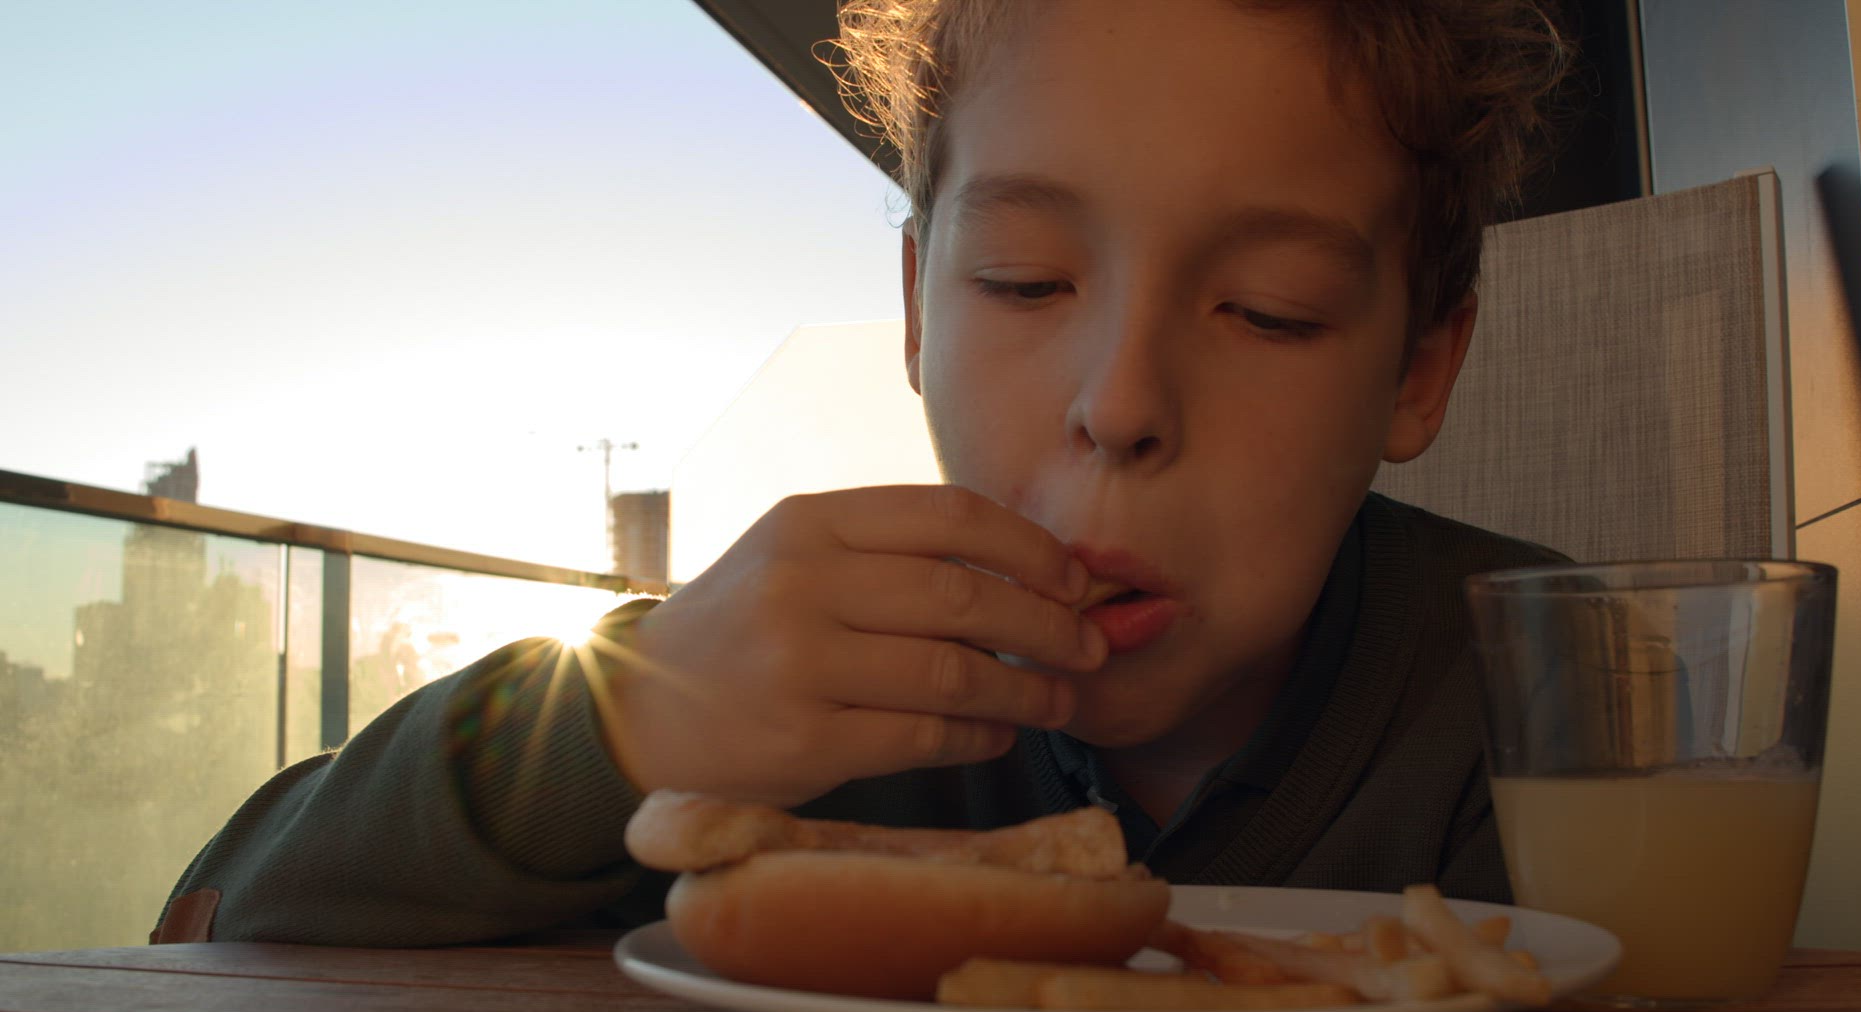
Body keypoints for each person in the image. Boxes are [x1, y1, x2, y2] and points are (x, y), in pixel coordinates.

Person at [153, 0, 1571, 947]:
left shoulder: (1541, 684)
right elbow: (218, 918)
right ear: (914, 309)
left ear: (1418, 368)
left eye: (1269, 307)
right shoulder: (777, 695)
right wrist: (628, 726)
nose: (1121, 405)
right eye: (1024, 284)